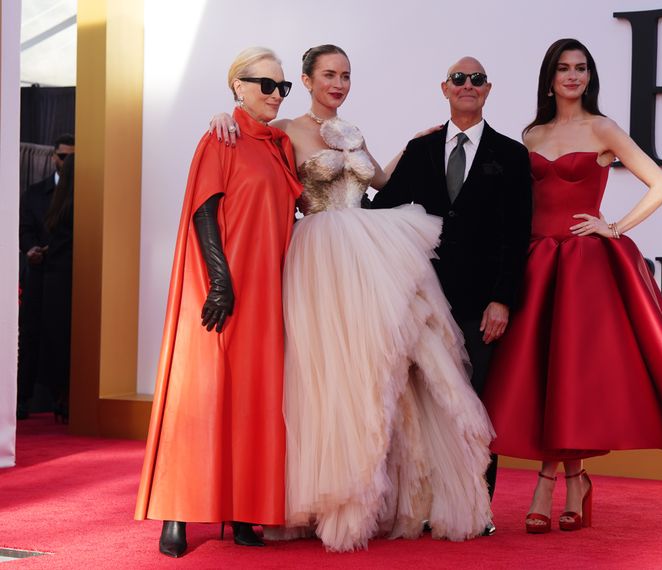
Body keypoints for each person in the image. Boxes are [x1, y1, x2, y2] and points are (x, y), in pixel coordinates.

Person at [210, 45, 494, 552]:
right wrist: (220, 116)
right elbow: (257, 156)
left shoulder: (355, 131)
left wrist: (412, 147)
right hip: (318, 254)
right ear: (306, 79)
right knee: (322, 372)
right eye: (328, 75)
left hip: (365, 252)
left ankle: (377, 494)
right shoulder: (285, 130)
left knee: (378, 370)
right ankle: (320, 497)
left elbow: (379, 184)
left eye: (345, 75)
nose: (338, 84)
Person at [481, 38, 662, 534]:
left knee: (571, 375)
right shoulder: (530, 135)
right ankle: (577, 481)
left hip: (583, 269)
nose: (572, 76)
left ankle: (546, 485)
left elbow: (661, 185)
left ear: (589, 77)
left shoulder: (603, 128)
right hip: (538, 264)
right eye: (563, 68)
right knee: (547, 380)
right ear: (549, 78)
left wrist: (614, 227)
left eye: (581, 68)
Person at [135, 47, 302, 558]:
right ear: (238, 87)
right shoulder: (220, 137)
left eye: (282, 87)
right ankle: (178, 512)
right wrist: (221, 282)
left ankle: (244, 509)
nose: (275, 94)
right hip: (219, 290)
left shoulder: (280, 146)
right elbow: (205, 209)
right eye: (265, 85)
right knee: (200, 397)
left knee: (254, 401)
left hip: (266, 291)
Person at [371, 56, 533, 532]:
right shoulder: (420, 151)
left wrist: (503, 298)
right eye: (459, 78)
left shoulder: (512, 155)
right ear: (444, 88)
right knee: (424, 407)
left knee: (474, 405)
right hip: (422, 302)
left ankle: (478, 510)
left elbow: (517, 235)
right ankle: (424, 508)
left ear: (488, 89)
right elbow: (382, 210)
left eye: (476, 79)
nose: (468, 85)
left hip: (481, 307)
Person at [17, 133, 74, 420]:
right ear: (54, 156)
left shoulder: (81, 194)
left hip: (63, 277)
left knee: (60, 336)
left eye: (73, 158)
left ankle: (58, 399)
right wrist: (30, 250)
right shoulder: (35, 193)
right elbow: (24, 228)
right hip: (37, 274)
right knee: (30, 334)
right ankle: (22, 398)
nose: (67, 162)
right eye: (63, 156)